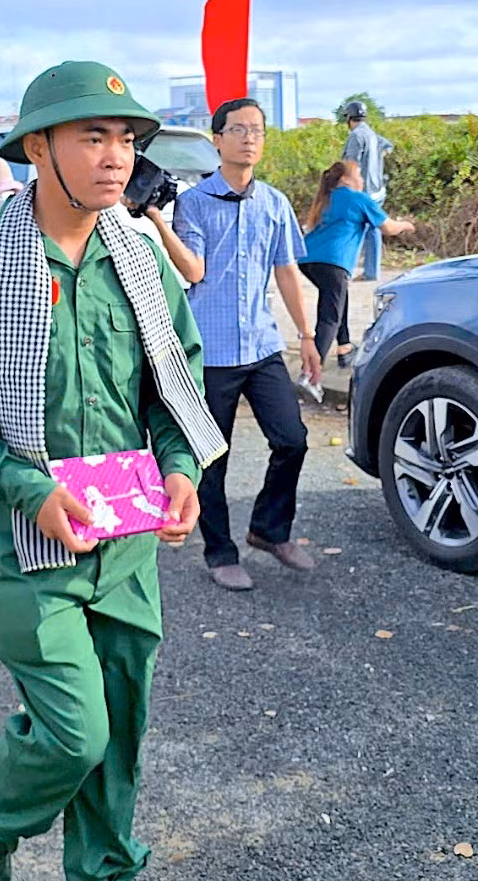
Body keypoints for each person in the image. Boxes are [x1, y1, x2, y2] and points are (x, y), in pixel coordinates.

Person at [0, 62, 223, 880]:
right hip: (24, 542)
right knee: (75, 731)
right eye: (93, 137)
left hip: (127, 544)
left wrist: (180, 470)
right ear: (38, 148)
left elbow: (172, 384)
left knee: (121, 731)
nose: (116, 157)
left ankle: (106, 867)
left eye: (126, 139)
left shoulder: (140, 260)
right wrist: (29, 489)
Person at [165, 97, 320, 593]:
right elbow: (195, 271)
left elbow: (287, 271)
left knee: (292, 439)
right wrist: (158, 223)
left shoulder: (274, 203)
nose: (249, 138)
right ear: (217, 140)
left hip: (262, 344)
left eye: (257, 130)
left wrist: (308, 336)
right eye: (238, 129)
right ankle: (220, 552)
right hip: (210, 352)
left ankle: (269, 530)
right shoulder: (194, 203)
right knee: (212, 458)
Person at [298, 161, 415, 368]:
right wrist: (406, 225)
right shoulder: (358, 199)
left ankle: (344, 347)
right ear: (345, 179)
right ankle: (310, 372)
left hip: (308, 259)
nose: (361, 180)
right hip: (333, 261)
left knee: (337, 298)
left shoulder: (327, 198)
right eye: (358, 175)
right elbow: (388, 228)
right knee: (329, 318)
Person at [339, 101, 389, 280]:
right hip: (377, 190)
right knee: (373, 229)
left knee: (354, 230)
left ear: (349, 118)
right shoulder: (372, 134)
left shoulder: (356, 136)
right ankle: (371, 272)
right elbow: (388, 147)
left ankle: (347, 270)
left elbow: (352, 165)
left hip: (363, 191)